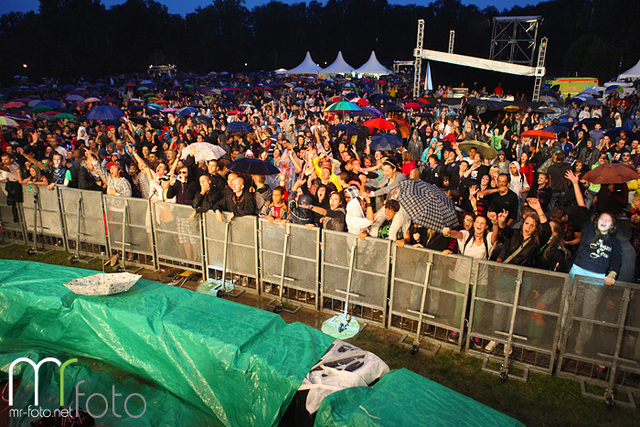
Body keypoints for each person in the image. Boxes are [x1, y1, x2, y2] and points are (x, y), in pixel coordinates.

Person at [565, 170, 622, 355]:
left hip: (596, 281)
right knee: (568, 308)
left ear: (612, 226)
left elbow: (616, 262)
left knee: (587, 315)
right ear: (597, 221)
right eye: (602, 219)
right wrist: (575, 183)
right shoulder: (588, 229)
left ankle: (580, 343)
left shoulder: (614, 243)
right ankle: (562, 339)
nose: (604, 221)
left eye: (608, 220)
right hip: (577, 275)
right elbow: (582, 206)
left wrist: (612, 275)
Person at [442, 212, 500, 346]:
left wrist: (495, 222)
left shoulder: (488, 238)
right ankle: (457, 329)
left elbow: (496, 233)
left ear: (486, 226)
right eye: (477, 222)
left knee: (477, 308)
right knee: (460, 306)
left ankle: (474, 333)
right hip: (462, 277)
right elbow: (456, 234)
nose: (479, 225)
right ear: (473, 224)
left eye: (482, 223)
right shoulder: (466, 235)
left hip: (481, 280)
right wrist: (447, 232)